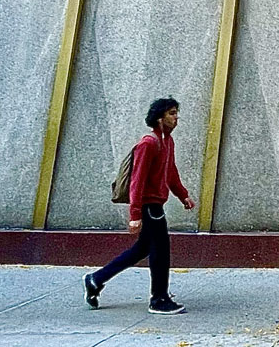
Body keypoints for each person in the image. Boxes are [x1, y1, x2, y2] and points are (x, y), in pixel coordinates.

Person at [83, 97, 196, 315]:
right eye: (172, 113)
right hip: (149, 206)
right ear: (160, 117)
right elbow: (137, 180)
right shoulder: (148, 143)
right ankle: (159, 299)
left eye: (176, 113)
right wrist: (135, 214)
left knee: (142, 249)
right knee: (161, 251)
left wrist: (183, 195)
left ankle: (96, 279)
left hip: (155, 205)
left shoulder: (167, 142)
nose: (176, 117)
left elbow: (171, 172)